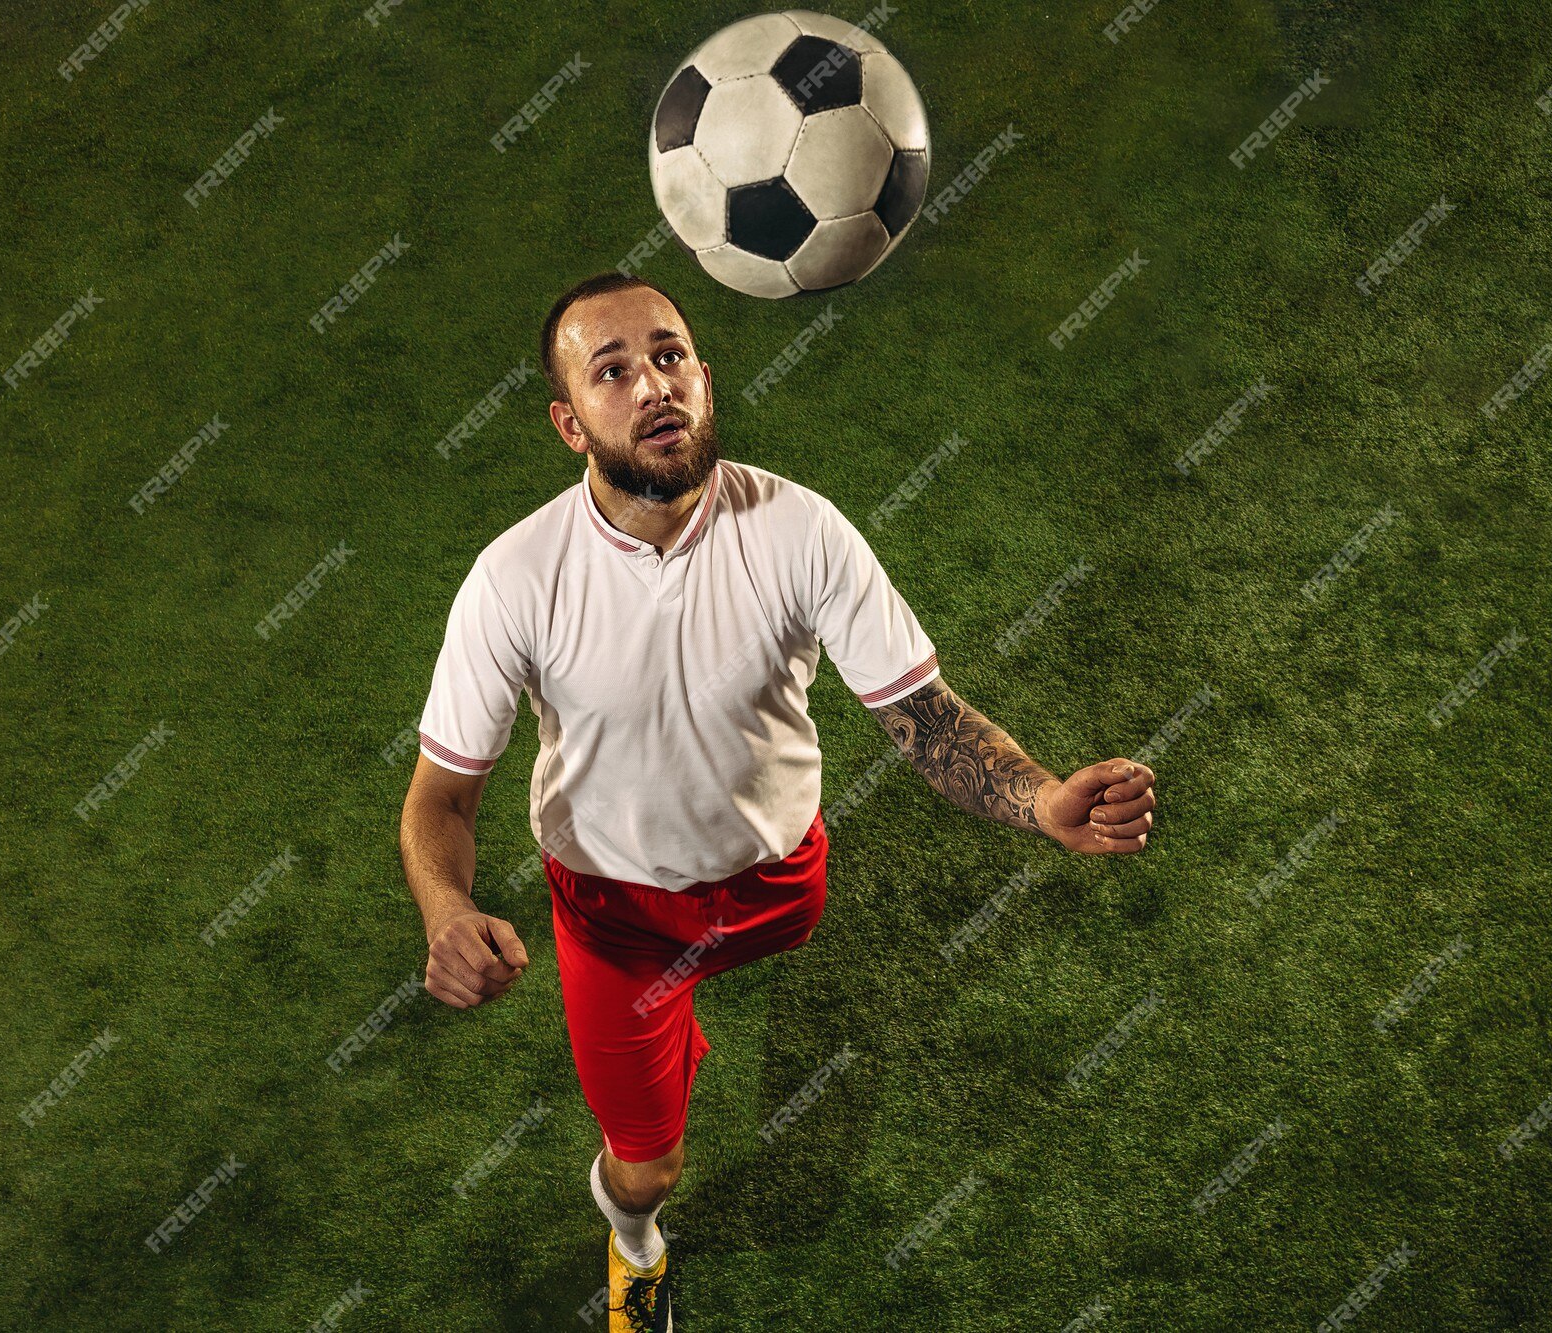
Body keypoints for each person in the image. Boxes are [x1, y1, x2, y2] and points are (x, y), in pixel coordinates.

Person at [398, 272, 1157, 1331]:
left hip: (779, 885)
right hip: (614, 915)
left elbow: (922, 718)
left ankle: (688, 1011)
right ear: (569, 422)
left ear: (704, 380)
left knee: (778, 937)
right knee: (649, 1165)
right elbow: (441, 795)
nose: (652, 384)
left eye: (669, 356)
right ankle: (634, 1250)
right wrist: (444, 908)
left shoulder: (798, 529)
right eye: (612, 371)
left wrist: (1039, 801)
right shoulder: (514, 579)